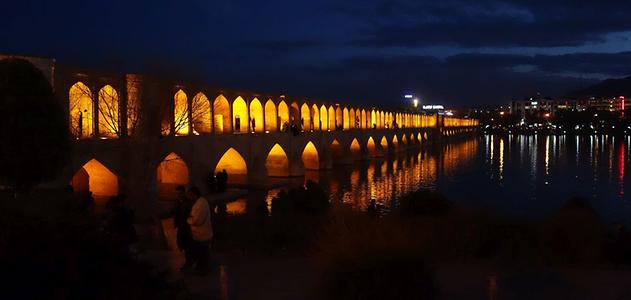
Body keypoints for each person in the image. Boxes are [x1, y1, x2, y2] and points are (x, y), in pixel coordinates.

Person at [161, 186, 195, 270]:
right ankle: (189, 260)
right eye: (176, 194)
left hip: (187, 226)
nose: (178, 195)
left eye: (179, 193)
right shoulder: (177, 202)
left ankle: (189, 262)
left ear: (184, 193)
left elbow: (192, 214)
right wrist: (162, 216)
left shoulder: (188, 202)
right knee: (181, 243)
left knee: (187, 244)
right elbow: (173, 211)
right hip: (180, 225)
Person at [187, 187, 213, 275]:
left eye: (190, 195)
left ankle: (204, 271)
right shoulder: (201, 202)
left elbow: (197, 221)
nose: (189, 197)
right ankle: (203, 269)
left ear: (194, 194)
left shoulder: (201, 204)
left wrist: (189, 220)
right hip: (202, 234)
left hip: (202, 235)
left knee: (203, 254)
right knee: (203, 253)